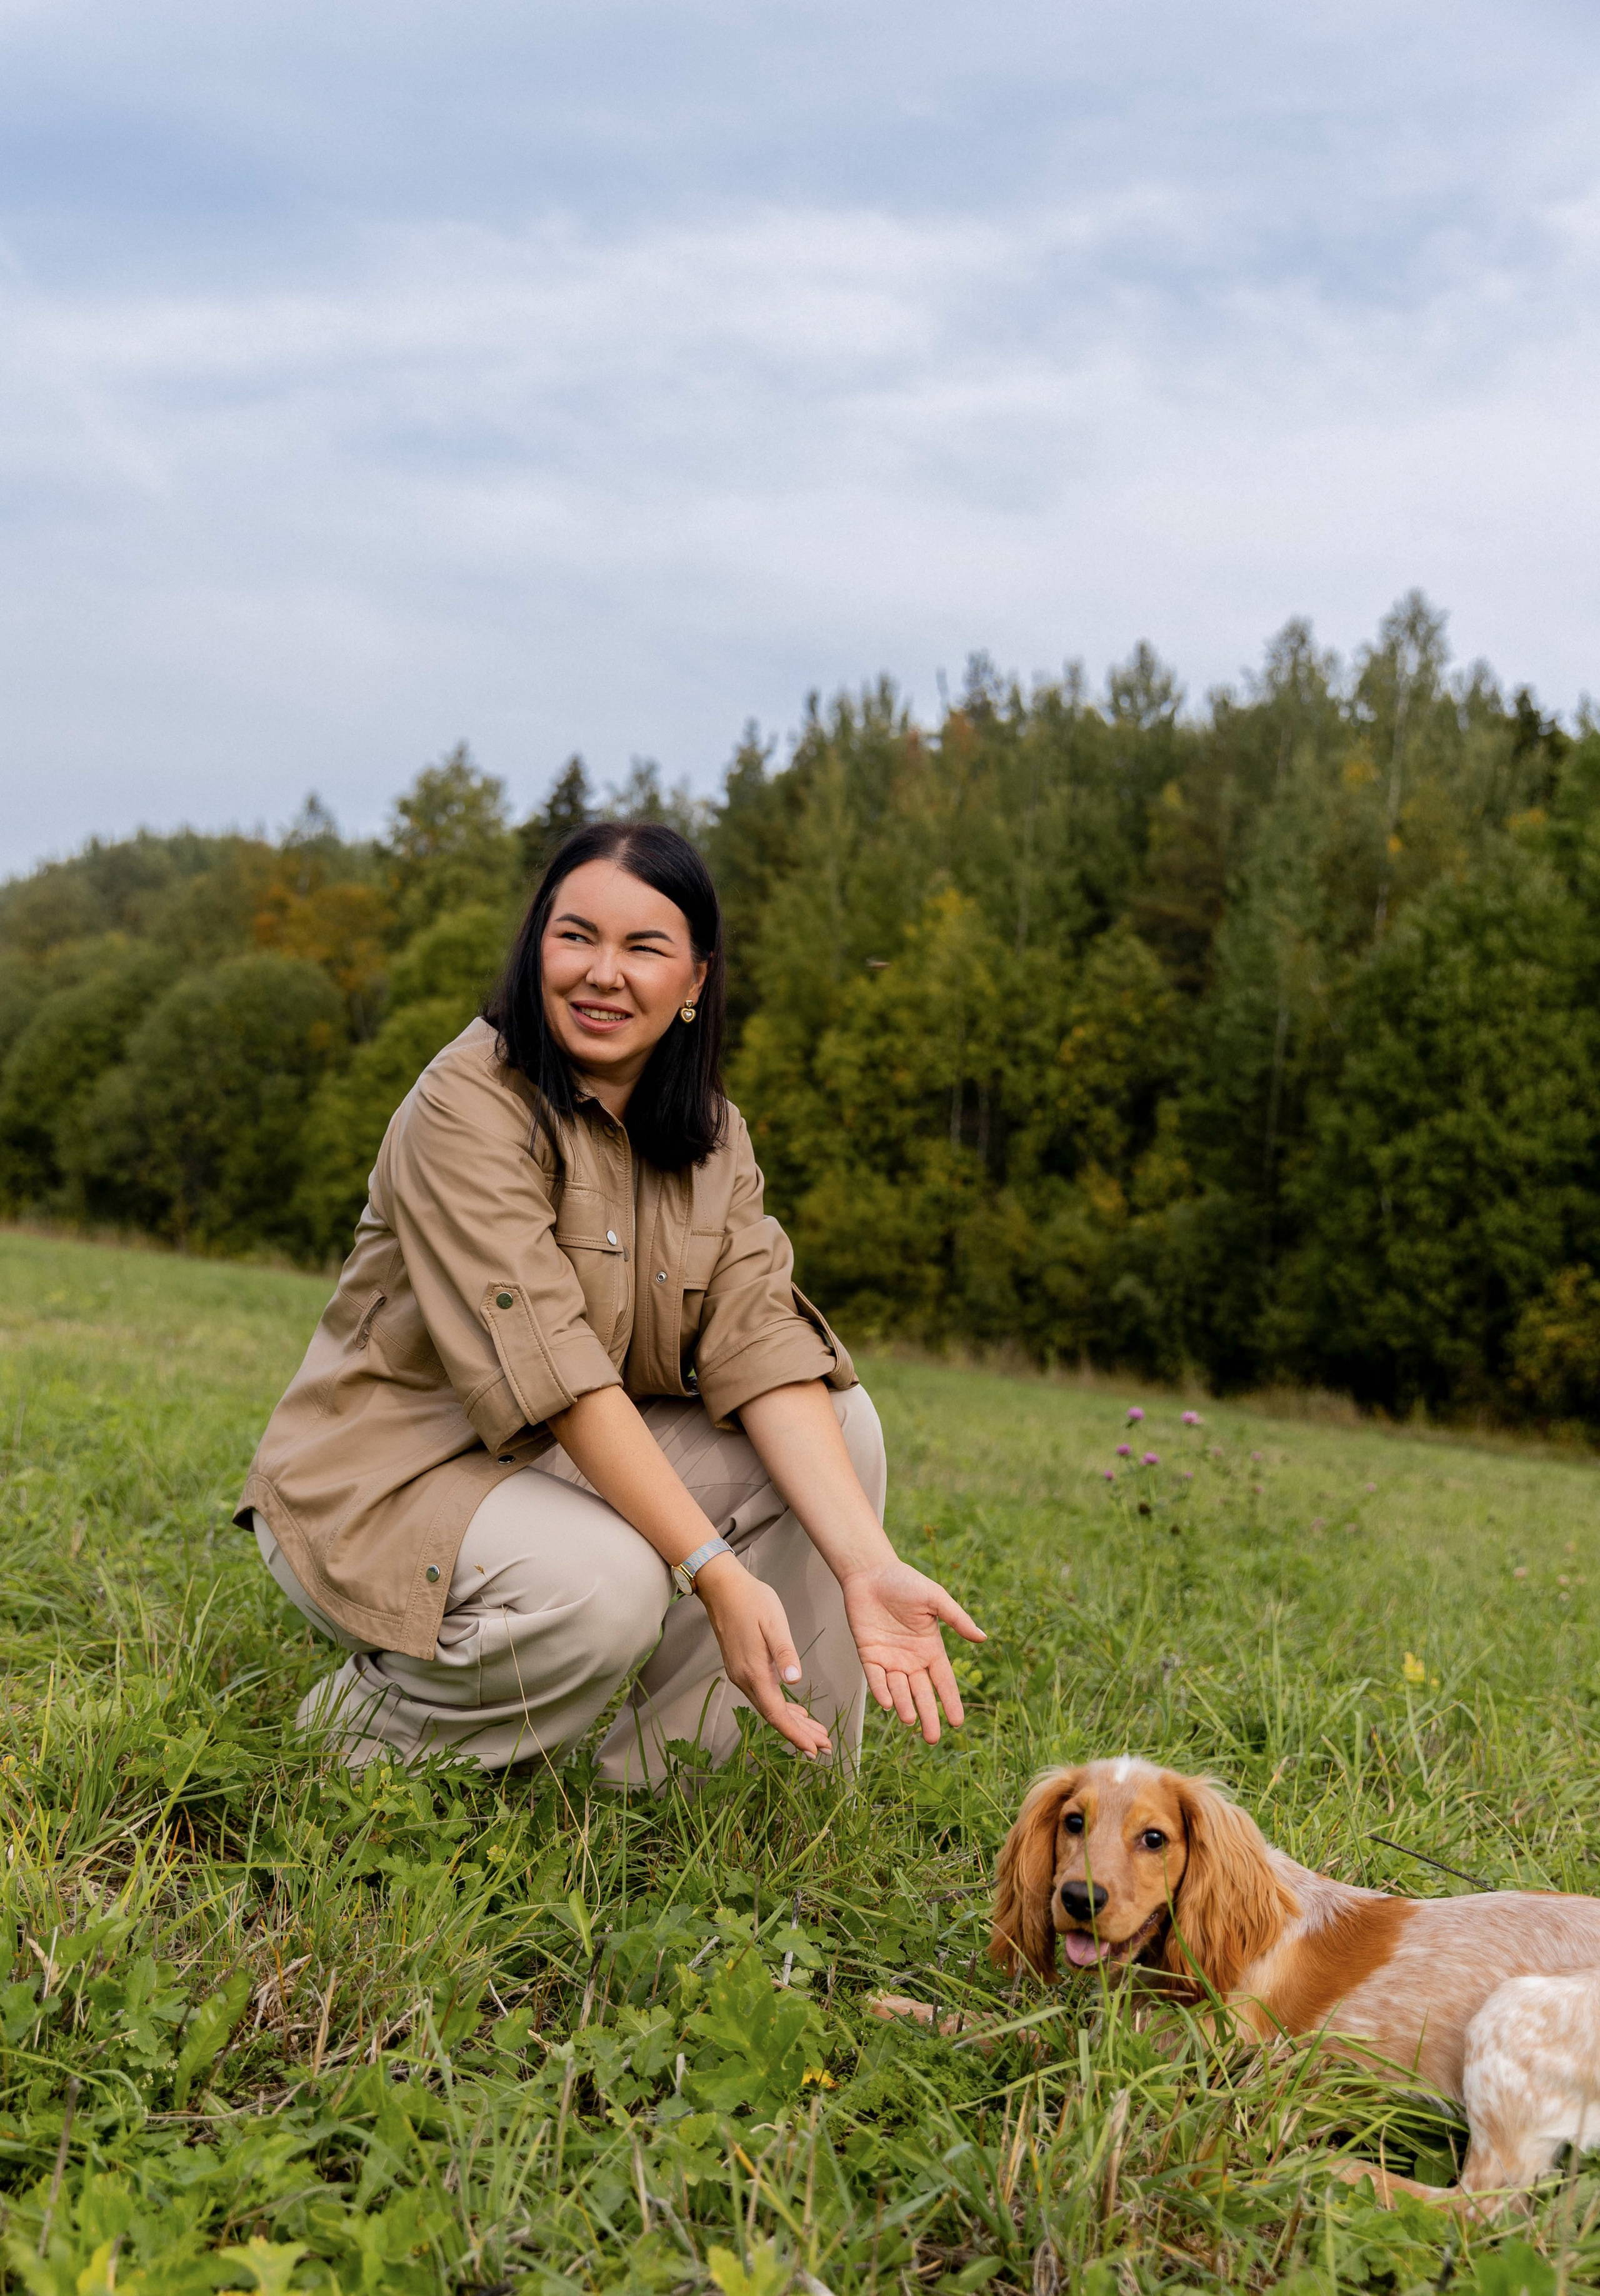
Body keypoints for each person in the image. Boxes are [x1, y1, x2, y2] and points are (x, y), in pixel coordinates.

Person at [238, 820, 984, 1782]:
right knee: (609, 1585)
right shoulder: (466, 1101)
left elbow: (761, 1340)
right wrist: (713, 1568)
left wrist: (865, 1562)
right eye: (576, 936)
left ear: (696, 981)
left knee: (842, 1423)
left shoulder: (713, 1137)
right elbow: (558, 1373)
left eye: (645, 947)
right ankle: (352, 1740)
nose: (602, 972)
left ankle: (672, 1784)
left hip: (550, 1472)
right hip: (385, 1478)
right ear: (535, 946)